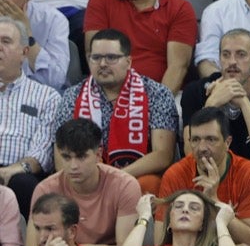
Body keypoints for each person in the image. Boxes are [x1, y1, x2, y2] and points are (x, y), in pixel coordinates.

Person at [54, 29, 177, 193]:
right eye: (96, 58)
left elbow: (162, 155)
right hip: (84, 178)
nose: (102, 64)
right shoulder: (73, 95)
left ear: (128, 62)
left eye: (111, 58)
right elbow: (60, 150)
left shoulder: (157, 94)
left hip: (133, 178)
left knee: (150, 183)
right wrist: (90, 178)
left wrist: (114, 177)